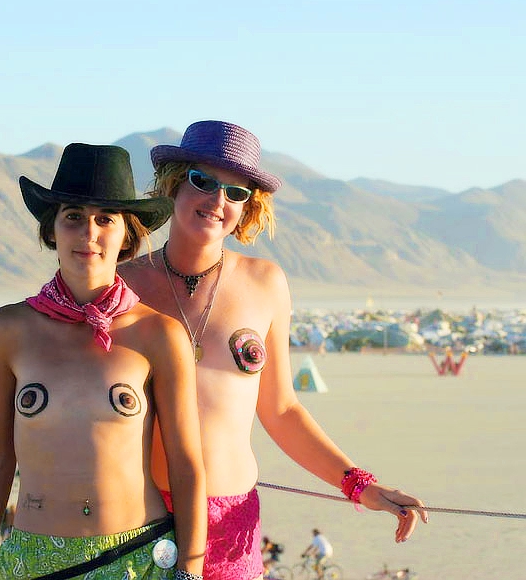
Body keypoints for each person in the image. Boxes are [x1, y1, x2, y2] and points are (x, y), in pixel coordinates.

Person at [119, 120, 428, 580]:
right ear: (173, 183)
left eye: (236, 192)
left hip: (231, 522)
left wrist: (359, 485)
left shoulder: (266, 284)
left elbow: (281, 410)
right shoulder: (122, 284)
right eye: (203, 181)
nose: (217, 201)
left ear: (248, 206)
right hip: (134, 517)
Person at [0, 143, 207, 580]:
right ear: (51, 229)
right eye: (73, 216)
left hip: (134, 560)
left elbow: (186, 462)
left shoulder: (160, 335)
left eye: (106, 219)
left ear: (127, 235)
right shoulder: (7, 330)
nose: (88, 232)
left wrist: (191, 570)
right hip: (32, 562)